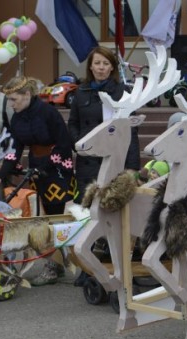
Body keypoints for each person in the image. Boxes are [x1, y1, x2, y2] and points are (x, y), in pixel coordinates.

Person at [68, 46, 141, 286]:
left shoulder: (123, 92)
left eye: (105, 64)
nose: (100, 68)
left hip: (115, 162)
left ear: (112, 67)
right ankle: (86, 267)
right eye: (96, 63)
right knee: (88, 213)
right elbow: (74, 125)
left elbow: (131, 132)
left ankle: (115, 262)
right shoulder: (81, 93)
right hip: (89, 162)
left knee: (114, 212)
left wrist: (131, 168)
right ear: (90, 66)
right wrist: (78, 144)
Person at [0, 75, 75, 286]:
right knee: (43, 216)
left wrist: (45, 167)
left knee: (55, 217)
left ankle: (59, 265)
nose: (11, 105)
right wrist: (0, 175)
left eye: (14, 100)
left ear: (27, 95)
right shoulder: (17, 117)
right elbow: (14, 149)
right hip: (36, 168)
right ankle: (57, 261)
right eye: (9, 100)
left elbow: (64, 144)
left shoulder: (49, 113)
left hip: (57, 168)